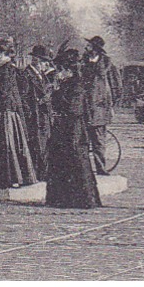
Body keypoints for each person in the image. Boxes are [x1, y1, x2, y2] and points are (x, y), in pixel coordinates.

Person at [44, 48, 103, 208]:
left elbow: (74, 108)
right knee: (61, 161)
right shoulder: (66, 84)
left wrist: (56, 96)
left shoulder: (77, 84)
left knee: (76, 161)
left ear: (68, 70)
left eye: (60, 70)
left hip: (74, 130)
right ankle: (61, 199)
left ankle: (81, 199)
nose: (58, 73)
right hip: (64, 129)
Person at [0, 40, 39, 188]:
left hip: (5, 111)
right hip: (1, 110)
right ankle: (4, 178)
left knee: (9, 143)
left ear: (2, 53)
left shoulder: (8, 69)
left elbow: (5, 91)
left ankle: (13, 177)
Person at [82, 36, 119, 174]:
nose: (86, 48)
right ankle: (85, 170)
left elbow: (116, 86)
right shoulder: (83, 62)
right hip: (84, 107)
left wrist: (110, 105)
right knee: (83, 140)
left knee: (98, 141)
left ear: (95, 49)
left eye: (89, 46)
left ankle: (101, 169)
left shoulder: (107, 64)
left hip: (99, 108)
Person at [19, 45, 54, 181]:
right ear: (36, 60)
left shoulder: (42, 76)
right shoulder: (26, 75)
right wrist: (38, 103)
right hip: (35, 119)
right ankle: (37, 176)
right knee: (37, 148)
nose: (46, 65)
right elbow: (23, 99)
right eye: (45, 62)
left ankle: (42, 175)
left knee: (44, 148)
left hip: (44, 118)